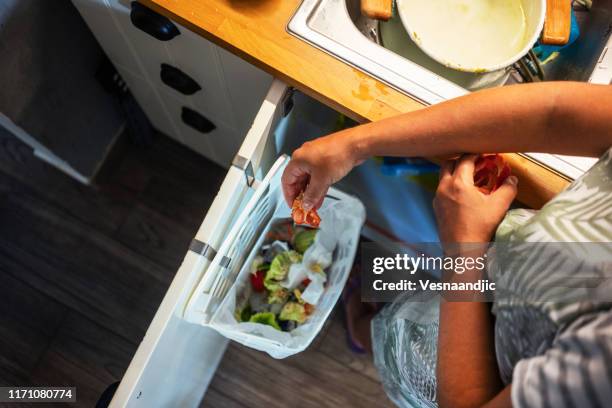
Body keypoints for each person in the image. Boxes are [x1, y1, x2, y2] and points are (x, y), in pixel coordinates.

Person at [281, 81, 612, 408]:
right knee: (409, 308)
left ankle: (359, 332)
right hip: (491, 278)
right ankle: (372, 319)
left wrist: (464, 246)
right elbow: (552, 113)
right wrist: (354, 145)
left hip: (464, 364)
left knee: (396, 343)